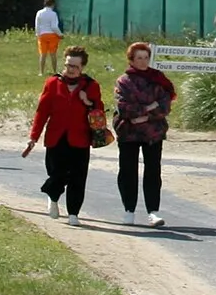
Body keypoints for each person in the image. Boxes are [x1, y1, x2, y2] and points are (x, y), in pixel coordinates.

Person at [23, 45, 103, 224]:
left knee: (78, 177)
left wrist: (87, 101)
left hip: (80, 139)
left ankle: (73, 213)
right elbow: (42, 112)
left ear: (82, 67)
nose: (70, 70)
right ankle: (52, 198)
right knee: (57, 174)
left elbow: (98, 111)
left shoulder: (91, 85)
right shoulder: (53, 83)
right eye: (68, 65)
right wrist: (33, 137)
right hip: (56, 138)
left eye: (74, 66)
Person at [114, 42, 175, 227]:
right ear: (131, 60)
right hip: (129, 133)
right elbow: (123, 108)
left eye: (146, 57)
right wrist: (147, 108)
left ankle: (153, 212)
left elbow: (164, 105)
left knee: (153, 171)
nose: (143, 61)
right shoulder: (123, 81)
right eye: (139, 58)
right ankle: (129, 210)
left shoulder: (158, 79)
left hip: (153, 133)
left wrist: (144, 114)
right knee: (128, 171)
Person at [34, 0, 63, 76]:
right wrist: (60, 34)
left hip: (42, 35)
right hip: (52, 35)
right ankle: (54, 71)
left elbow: (37, 25)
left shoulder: (39, 13)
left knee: (43, 54)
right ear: (53, 4)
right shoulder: (53, 14)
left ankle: (41, 72)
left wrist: (38, 34)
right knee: (53, 54)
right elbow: (54, 26)